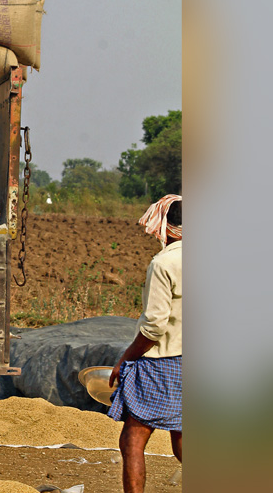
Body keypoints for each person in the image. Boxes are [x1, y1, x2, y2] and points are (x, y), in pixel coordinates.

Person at [108, 194, 183, 493]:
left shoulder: (164, 263)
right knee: (182, 439)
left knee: (132, 439)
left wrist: (126, 358)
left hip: (164, 362)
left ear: (166, 227)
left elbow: (154, 328)